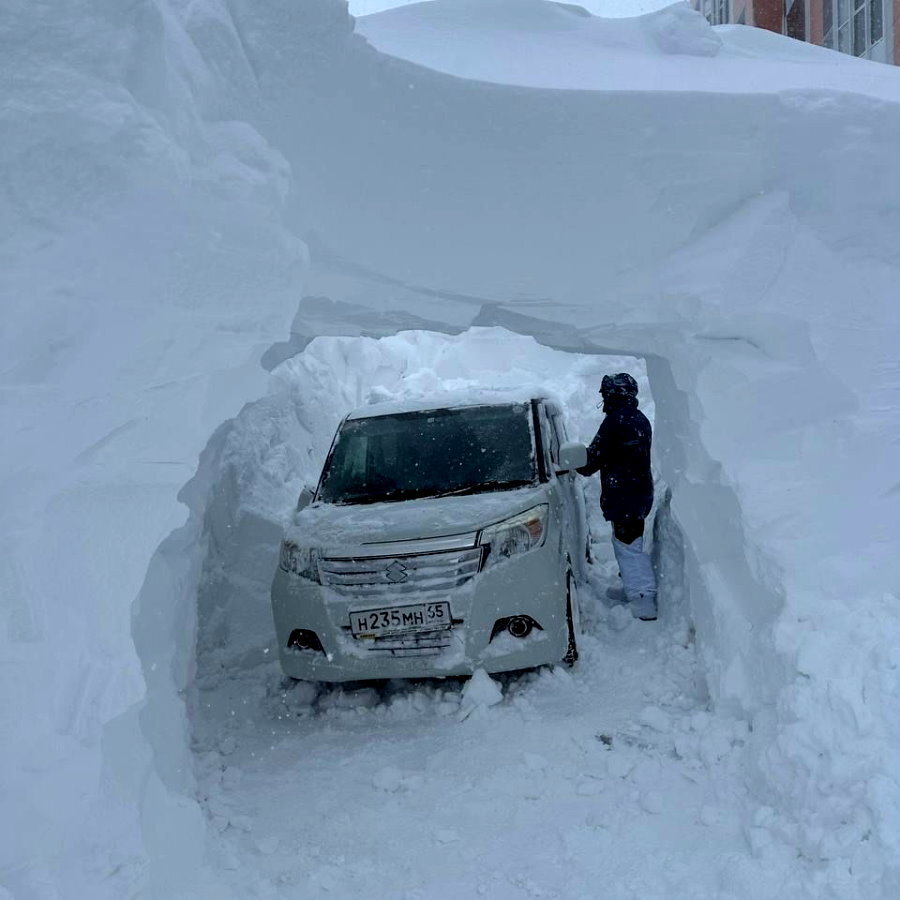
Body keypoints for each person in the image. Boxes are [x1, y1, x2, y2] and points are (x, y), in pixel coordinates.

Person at [577, 373, 657, 621]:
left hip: (623, 494)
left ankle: (643, 598)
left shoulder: (615, 422)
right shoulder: (639, 419)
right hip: (640, 492)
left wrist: (573, 461)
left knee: (627, 547)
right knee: (630, 542)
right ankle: (632, 587)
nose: (603, 400)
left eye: (605, 395)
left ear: (613, 395)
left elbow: (591, 462)